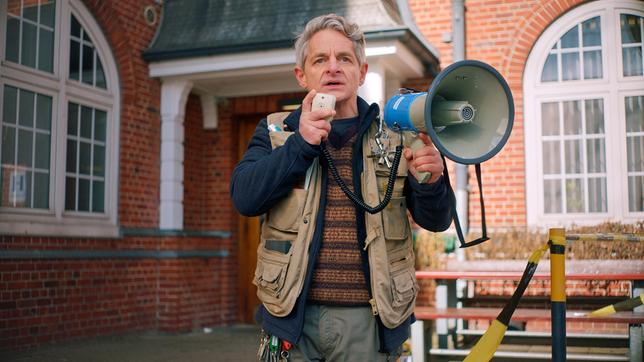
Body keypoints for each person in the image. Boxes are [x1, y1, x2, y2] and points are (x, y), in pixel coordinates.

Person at [230, 13, 452, 361]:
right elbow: (245, 197)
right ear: (302, 75)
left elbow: (437, 220)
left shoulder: (398, 138)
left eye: (344, 58)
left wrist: (432, 181)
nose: (333, 68)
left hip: (370, 323)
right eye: (320, 59)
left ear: (361, 73)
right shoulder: (275, 132)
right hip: (291, 320)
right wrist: (301, 144)